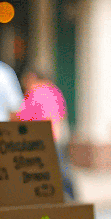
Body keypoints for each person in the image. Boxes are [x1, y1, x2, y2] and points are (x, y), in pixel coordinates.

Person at [16, 66, 74, 199]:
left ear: (32, 78)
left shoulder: (37, 91)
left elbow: (24, 115)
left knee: (53, 173)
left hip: (44, 138)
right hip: (55, 137)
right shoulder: (53, 90)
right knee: (61, 172)